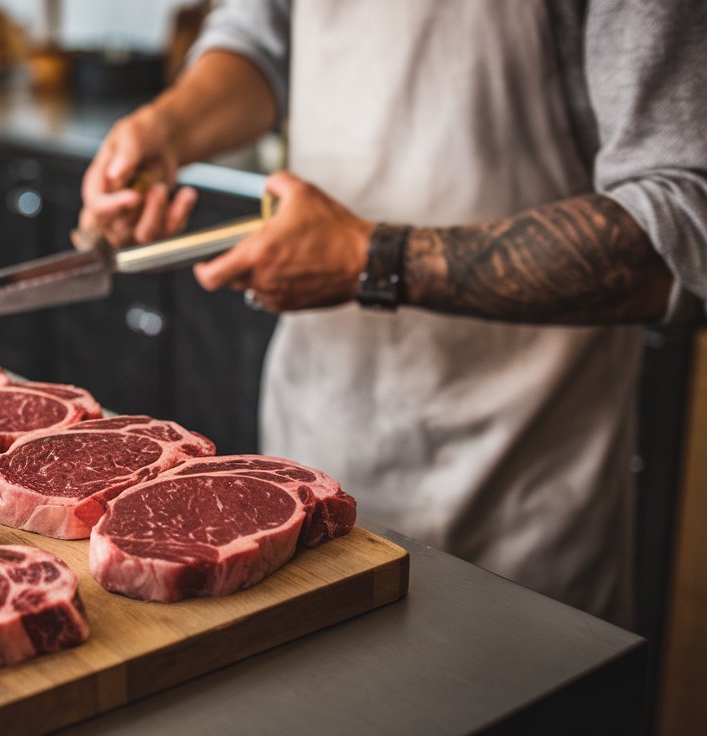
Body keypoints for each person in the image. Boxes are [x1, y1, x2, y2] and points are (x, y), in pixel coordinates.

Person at [78, 0, 707, 626]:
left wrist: (370, 260)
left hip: (525, 475)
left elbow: (679, 226)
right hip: (314, 443)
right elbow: (260, 37)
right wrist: (166, 130)